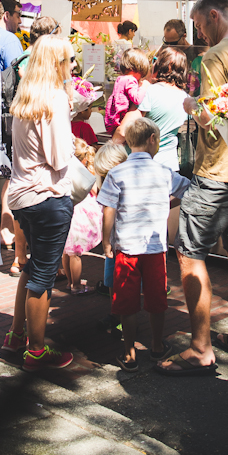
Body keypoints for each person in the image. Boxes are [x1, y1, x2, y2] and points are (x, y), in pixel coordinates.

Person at [158, 0, 228, 375]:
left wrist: (190, 105)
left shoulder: (212, 58)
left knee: (190, 255)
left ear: (212, 15)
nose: (201, 34)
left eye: (201, 26)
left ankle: (201, 347)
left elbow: (209, 116)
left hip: (216, 170)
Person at [2, 36, 77, 372]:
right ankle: (36, 350)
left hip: (21, 196)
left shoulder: (25, 97)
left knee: (32, 269)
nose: (73, 66)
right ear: (57, 62)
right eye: (69, 60)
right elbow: (60, 157)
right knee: (43, 276)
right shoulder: (55, 99)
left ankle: (16, 336)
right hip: (47, 196)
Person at [98, 118, 190, 371]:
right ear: (152, 139)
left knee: (126, 301)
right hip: (155, 248)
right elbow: (188, 191)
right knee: (156, 297)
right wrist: (165, 203)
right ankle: (157, 346)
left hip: (126, 248)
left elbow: (109, 209)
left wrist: (107, 242)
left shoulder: (117, 172)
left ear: (128, 142)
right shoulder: (163, 172)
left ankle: (129, 354)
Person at [2, 14, 63, 275]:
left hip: (19, 135)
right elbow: (58, 157)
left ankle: (19, 257)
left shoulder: (23, 59)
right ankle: (51, 264)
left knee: (19, 188)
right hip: (40, 146)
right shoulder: (42, 65)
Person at [113, 47, 189, 171]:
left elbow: (123, 131)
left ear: (163, 66)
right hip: (169, 167)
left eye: (155, 60)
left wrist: (110, 149)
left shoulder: (148, 92)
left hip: (140, 167)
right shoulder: (186, 99)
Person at [93, 141, 129, 333]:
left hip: (119, 242)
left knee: (120, 282)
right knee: (112, 280)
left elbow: (108, 212)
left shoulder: (115, 181)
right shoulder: (112, 180)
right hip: (117, 242)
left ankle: (123, 318)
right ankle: (116, 314)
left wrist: (105, 240)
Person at [62, 139, 103, 294]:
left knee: (67, 251)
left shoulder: (65, 170)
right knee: (76, 253)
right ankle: (77, 285)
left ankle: (69, 281)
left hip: (68, 209)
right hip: (80, 215)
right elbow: (94, 191)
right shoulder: (84, 173)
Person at [104, 47, 150, 135]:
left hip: (114, 120)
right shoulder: (130, 80)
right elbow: (137, 99)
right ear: (139, 68)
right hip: (122, 119)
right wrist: (144, 86)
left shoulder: (120, 79)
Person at [0, 0, 23, 72]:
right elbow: (16, 75)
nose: (20, 21)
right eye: (18, 16)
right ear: (7, 15)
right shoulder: (10, 40)